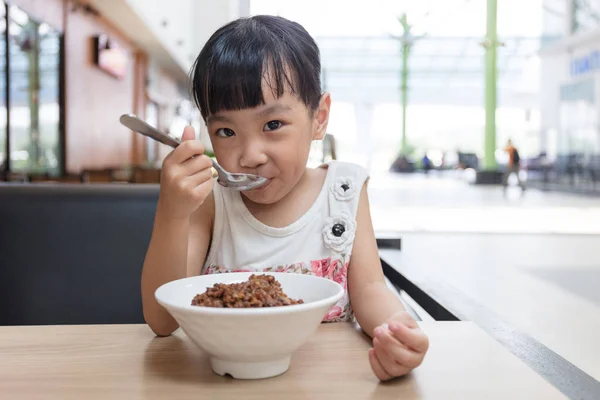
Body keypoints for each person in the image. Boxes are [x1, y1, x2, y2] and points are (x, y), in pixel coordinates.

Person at [140, 15, 429, 381]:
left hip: (325, 380)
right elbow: (162, 320)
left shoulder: (344, 191)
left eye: (272, 125)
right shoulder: (213, 200)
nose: (250, 154)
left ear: (319, 119)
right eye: (226, 131)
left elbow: (370, 289)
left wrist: (396, 329)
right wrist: (173, 212)